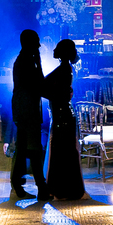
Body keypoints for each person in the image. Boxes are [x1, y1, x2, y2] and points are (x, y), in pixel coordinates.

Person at [10, 29, 50, 200]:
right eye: (36, 42)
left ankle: (20, 185)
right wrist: (40, 63)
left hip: (23, 109)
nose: (39, 45)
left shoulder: (24, 60)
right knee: (32, 148)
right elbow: (39, 84)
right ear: (30, 43)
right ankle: (40, 187)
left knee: (25, 148)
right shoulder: (27, 62)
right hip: (27, 110)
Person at [43, 39, 85, 201]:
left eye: (57, 48)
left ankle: (62, 189)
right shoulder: (66, 69)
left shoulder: (64, 69)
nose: (54, 50)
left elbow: (44, 85)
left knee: (62, 153)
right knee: (65, 152)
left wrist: (50, 95)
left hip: (62, 115)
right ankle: (67, 189)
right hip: (64, 113)